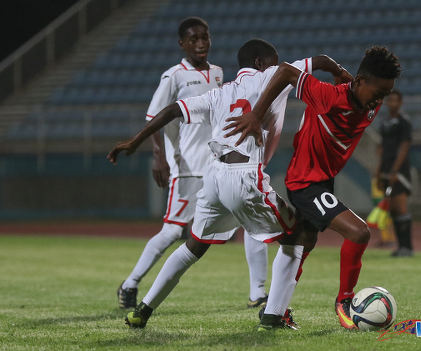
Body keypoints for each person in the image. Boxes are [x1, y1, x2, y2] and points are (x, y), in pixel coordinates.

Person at [108, 39, 352, 330]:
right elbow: (320, 59)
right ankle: (273, 315)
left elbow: (173, 109)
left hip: (214, 177)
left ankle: (143, 311)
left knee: (193, 247)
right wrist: (340, 73)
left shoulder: (219, 93)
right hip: (245, 176)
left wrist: (135, 141)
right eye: (272, 62)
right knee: (301, 233)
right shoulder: (271, 76)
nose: (276, 66)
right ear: (261, 63)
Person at [224, 46, 401, 329]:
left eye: (386, 94)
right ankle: (344, 301)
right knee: (358, 232)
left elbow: (344, 79)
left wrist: (335, 69)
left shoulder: (366, 98)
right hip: (305, 181)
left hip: (322, 181)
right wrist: (256, 115)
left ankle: (273, 313)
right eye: (378, 91)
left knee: (303, 244)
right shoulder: (328, 97)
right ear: (360, 81)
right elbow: (284, 71)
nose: (379, 100)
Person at [116, 17, 269, 311]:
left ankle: (257, 293)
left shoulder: (219, 73)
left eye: (205, 37)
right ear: (182, 44)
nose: (201, 43)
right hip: (185, 166)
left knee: (252, 222)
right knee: (173, 232)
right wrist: (159, 156)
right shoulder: (173, 76)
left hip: (217, 164)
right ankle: (130, 283)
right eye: (194, 39)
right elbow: (154, 117)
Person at [375, 90, 413, 257]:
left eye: (395, 100)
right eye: (389, 100)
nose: (392, 103)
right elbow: (382, 148)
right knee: (393, 210)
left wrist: (394, 170)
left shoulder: (404, 122)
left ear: (400, 102)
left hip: (399, 171)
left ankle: (407, 247)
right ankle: (401, 247)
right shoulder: (384, 123)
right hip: (385, 169)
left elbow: (404, 146)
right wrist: (379, 171)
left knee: (400, 206)